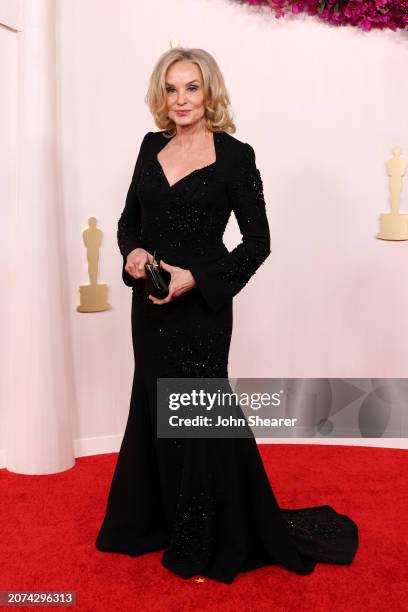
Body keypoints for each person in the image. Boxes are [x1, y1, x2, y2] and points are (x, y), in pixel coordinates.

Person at [95, 47, 358, 584]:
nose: (181, 100)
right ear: (159, 95)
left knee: (196, 412)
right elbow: (128, 223)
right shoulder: (150, 147)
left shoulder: (236, 156)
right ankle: (155, 521)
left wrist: (195, 277)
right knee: (152, 403)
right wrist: (134, 255)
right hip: (148, 305)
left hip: (203, 310)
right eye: (171, 89)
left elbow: (257, 243)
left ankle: (208, 536)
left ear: (210, 91)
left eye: (191, 88)